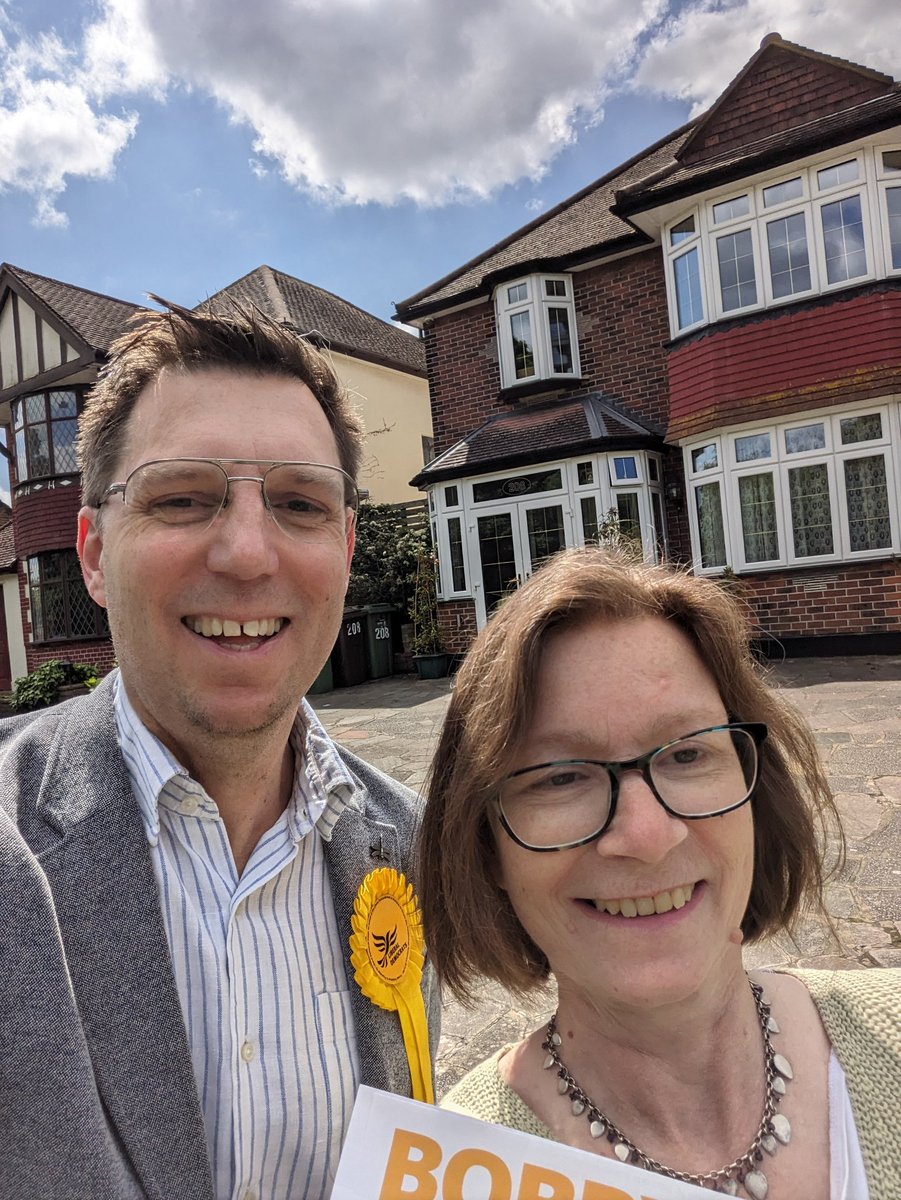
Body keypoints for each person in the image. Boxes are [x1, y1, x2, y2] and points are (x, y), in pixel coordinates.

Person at [0, 299, 438, 1200]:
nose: (246, 552)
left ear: (346, 548)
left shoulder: (411, 844)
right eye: (182, 497)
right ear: (92, 550)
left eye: (299, 504)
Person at [419, 547, 899, 1200]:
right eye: (560, 776)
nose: (645, 836)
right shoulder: (446, 1172)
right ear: (484, 846)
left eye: (686, 754)